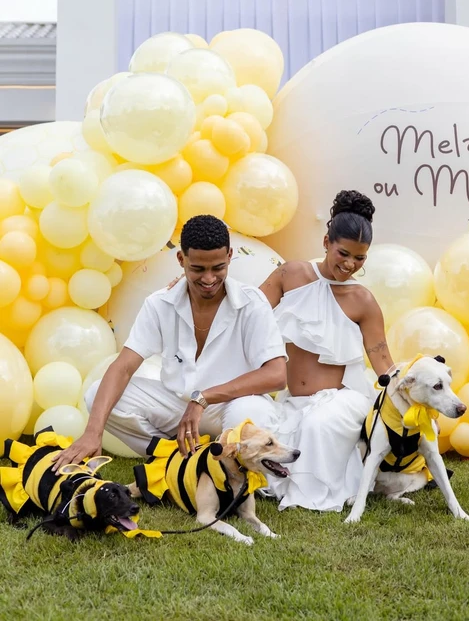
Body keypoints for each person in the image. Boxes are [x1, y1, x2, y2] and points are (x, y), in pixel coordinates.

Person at [52, 215, 286, 471]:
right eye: (198, 269)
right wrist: (92, 433)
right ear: (181, 259)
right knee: (96, 395)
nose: (209, 279)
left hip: (233, 405)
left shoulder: (252, 303)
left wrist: (203, 399)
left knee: (251, 416)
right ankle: (175, 458)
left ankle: (226, 466)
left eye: (217, 267)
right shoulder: (160, 303)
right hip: (179, 408)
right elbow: (124, 367)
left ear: (230, 256)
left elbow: (276, 375)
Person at [260, 190, 394, 512]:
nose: (349, 264)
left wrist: (410, 389)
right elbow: (249, 313)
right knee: (269, 428)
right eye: (343, 253)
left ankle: (309, 499)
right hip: (293, 399)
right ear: (326, 242)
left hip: (344, 398)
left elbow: (381, 358)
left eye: (359, 258)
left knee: (317, 425)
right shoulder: (291, 274)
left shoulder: (363, 300)